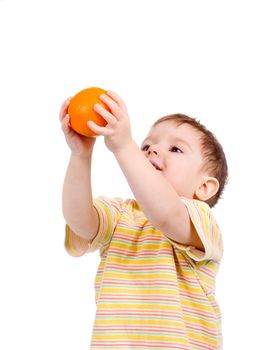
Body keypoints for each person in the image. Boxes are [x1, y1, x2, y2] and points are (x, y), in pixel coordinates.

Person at [60, 90, 229, 349]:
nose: (152, 151)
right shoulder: (121, 214)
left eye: (175, 149)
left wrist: (126, 147)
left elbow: (166, 214)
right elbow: (79, 221)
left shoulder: (202, 222)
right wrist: (81, 156)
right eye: (146, 146)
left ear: (204, 188)